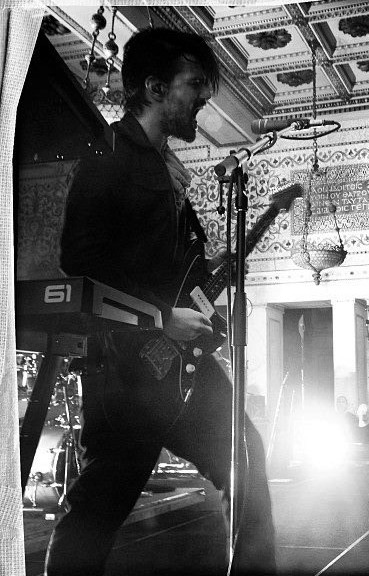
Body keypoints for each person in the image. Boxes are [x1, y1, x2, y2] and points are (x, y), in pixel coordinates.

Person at [44, 28, 275, 575]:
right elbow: (81, 261)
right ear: (153, 87)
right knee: (99, 506)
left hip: (178, 367)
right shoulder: (106, 156)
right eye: (194, 84)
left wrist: (200, 291)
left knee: (245, 457)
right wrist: (160, 316)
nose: (204, 96)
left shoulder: (168, 170)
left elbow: (167, 269)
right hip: (126, 369)